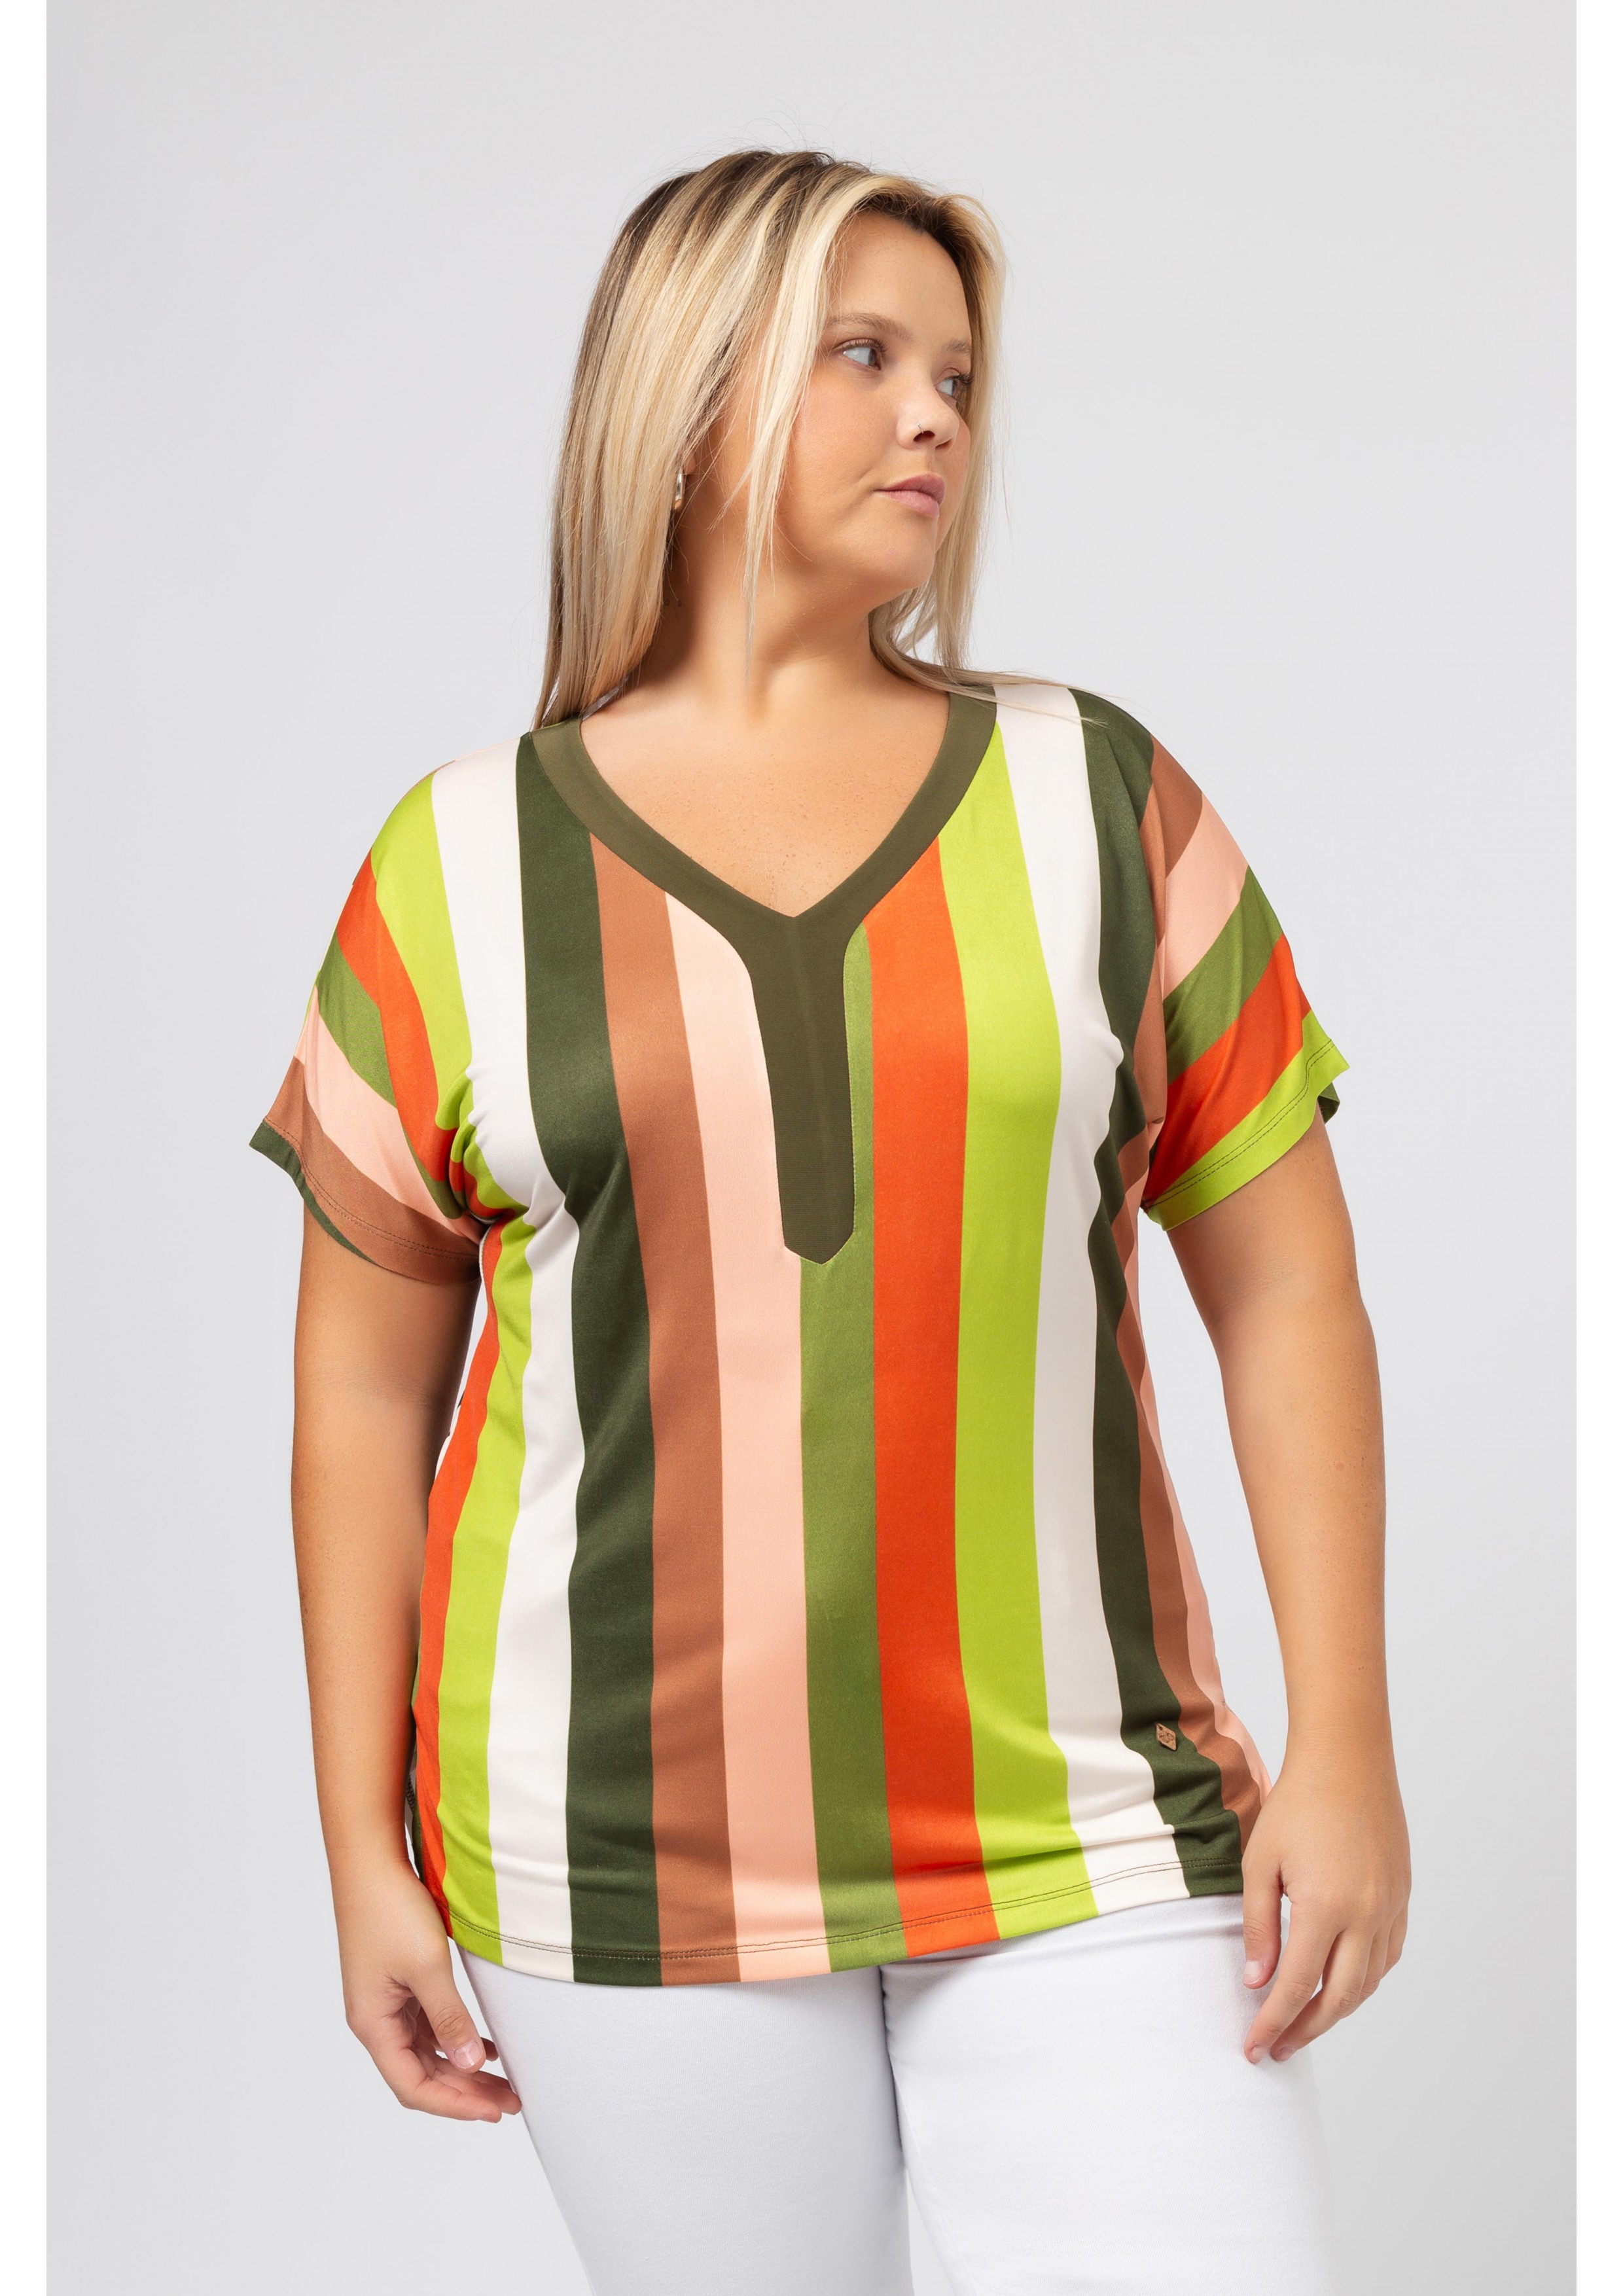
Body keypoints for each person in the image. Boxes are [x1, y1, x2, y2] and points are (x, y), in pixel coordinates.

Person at [253, 149, 1409, 2295]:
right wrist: (359, 1850)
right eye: (861, 356)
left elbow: (1288, 1290)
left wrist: (1347, 1743)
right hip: (611, 1858)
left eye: (957, 372)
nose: (936, 416)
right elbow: (359, 1395)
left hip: (1097, 1817)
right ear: (691, 402)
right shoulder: (456, 867)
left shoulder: (1099, 797)